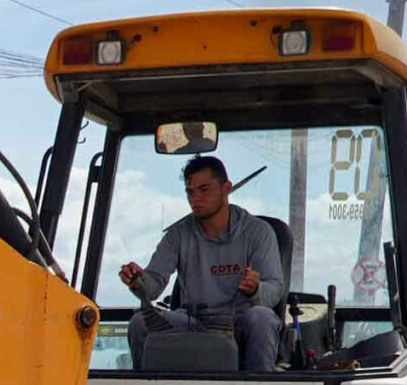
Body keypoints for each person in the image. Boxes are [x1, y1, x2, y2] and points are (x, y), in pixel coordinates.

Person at [116, 155, 288, 371]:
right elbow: (153, 286)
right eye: (190, 192)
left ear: (226, 188)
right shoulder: (178, 235)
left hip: (237, 321)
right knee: (141, 322)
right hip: (192, 321)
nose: (195, 198)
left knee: (262, 318)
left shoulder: (257, 232)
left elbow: (275, 288)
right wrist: (138, 281)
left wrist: (256, 289)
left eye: (204, 189)